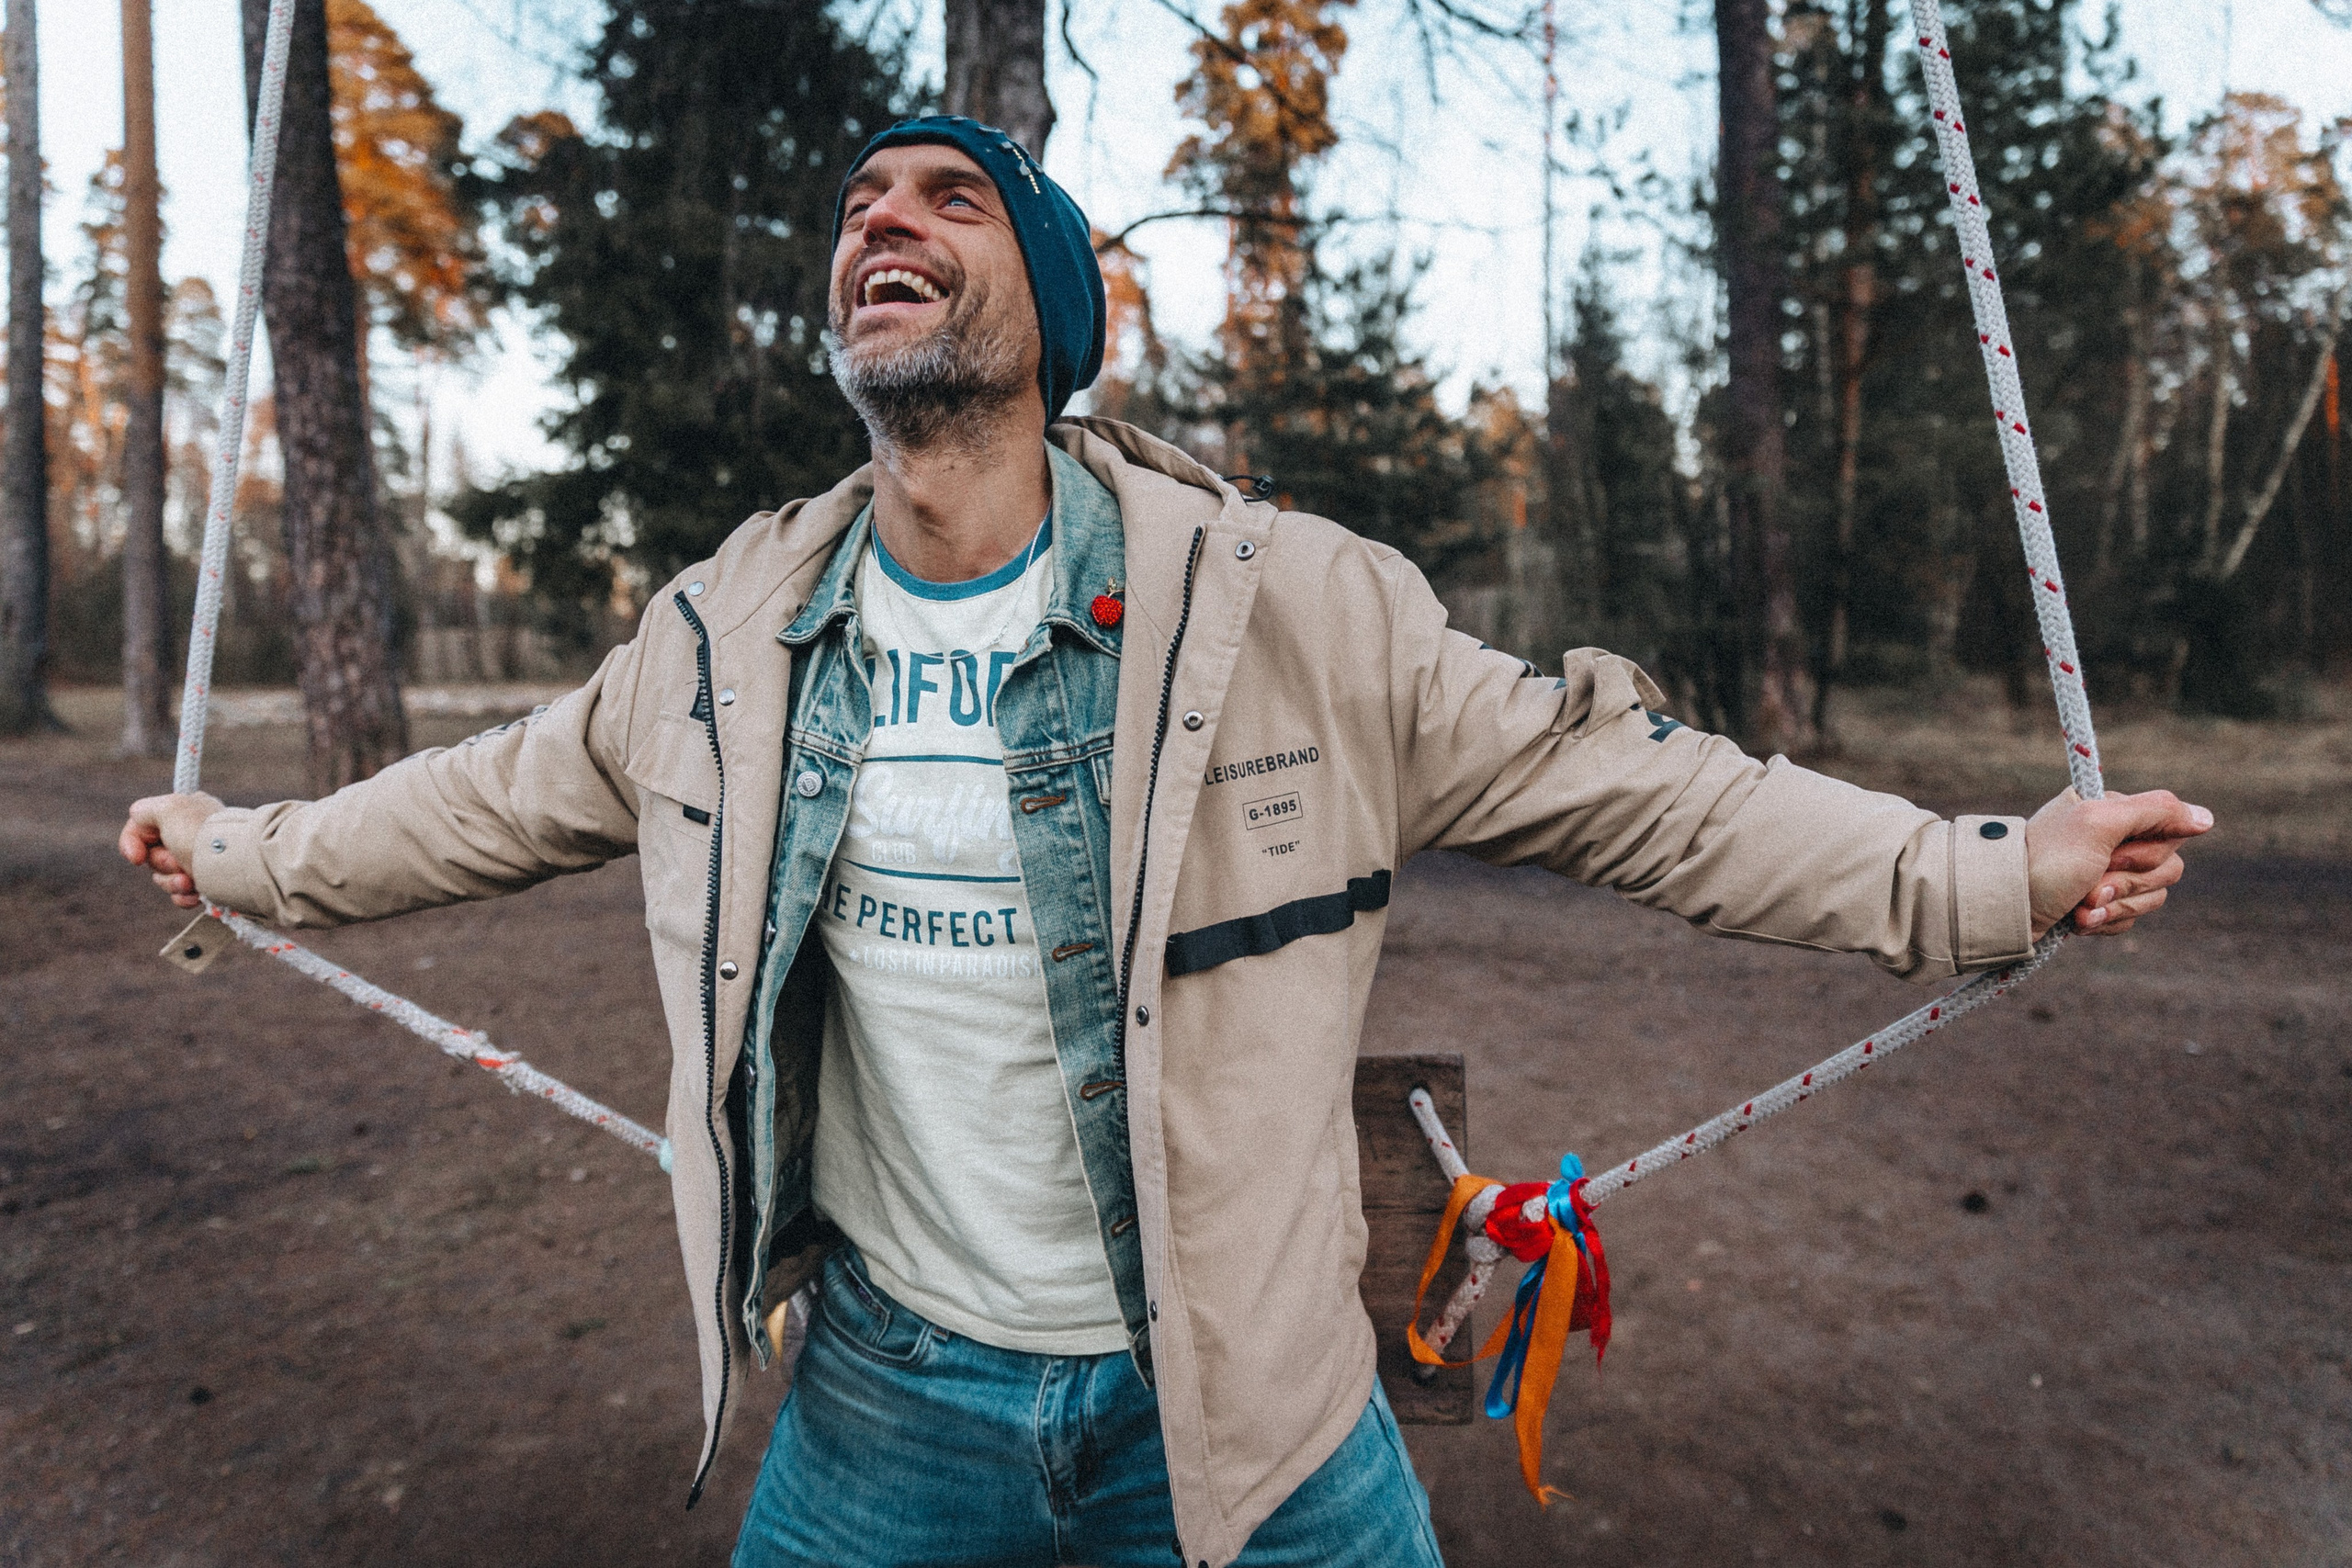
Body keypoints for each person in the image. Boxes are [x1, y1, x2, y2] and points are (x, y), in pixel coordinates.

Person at [119, 116, 2210, 1568]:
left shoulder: (1293, 608)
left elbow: (1635, 782)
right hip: (882, 1403)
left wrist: (1983, 875)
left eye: (947, 197)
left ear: (1043, 305)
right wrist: (241, 852)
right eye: (860, 203)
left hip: (1250, 1409)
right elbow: (483, 796)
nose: (882, 219)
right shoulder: (723, 633)